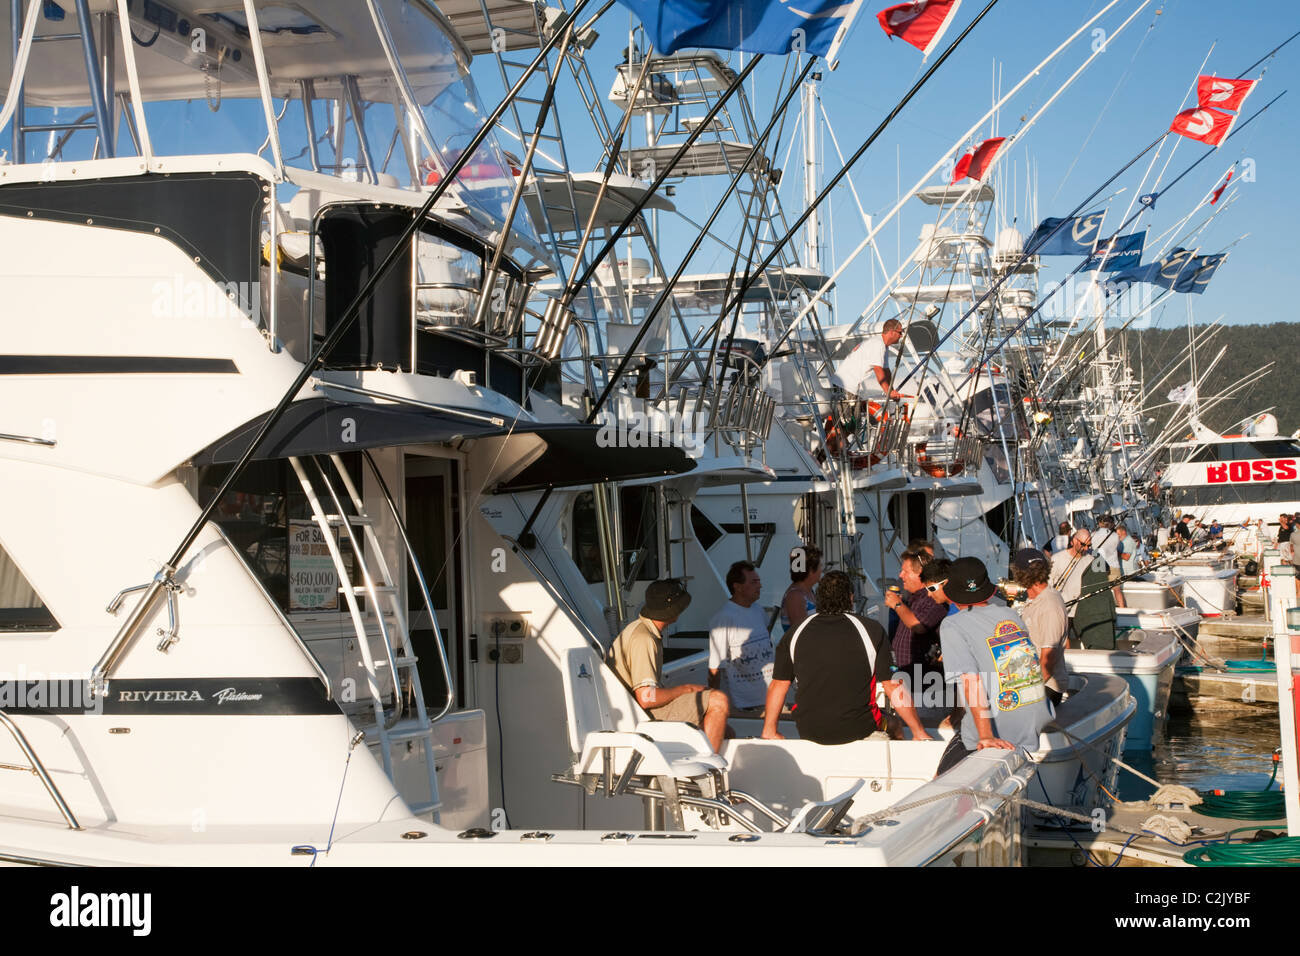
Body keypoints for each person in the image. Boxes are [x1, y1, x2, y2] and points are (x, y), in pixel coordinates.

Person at [762, 571, 932, 745]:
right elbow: (892, 685)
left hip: (809, 728)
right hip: (859, 727)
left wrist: (769, 730)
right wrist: (918, 731)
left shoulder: (795, 633)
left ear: (819, 599)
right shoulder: (871, 629)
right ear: (850, 598)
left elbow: (778, 685)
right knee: (895, 725)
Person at [936, 557, 1052, 775]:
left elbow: (970, 680)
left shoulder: (952, 624)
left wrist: (986, 736)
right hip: (1031, 726)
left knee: (939, 780)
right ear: (988, 591)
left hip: (994, 730)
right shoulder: (1011, 615)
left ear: (951, 594)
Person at [608, 579, 730, 752]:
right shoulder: (644, 639)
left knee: (727, 730)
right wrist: (685, 689)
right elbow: (646, 698)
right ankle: (706, 766)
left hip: (633, 709)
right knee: (719, 701)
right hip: (640, 715)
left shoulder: (639, 628)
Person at [708, 562, 775, 713]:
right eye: (754, 582)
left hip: (771, 698)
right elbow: (714, 669)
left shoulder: (758, 610)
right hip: (744, 707)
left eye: (759, 581)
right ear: (737, 587)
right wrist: (712, 706)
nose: (760, 586)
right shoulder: (723, 618)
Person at [1010, 549, 1069, 707]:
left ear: (1019, 574)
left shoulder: (1050, 605)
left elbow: (1047, 663)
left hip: (1046, 687)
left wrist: (1024, 695)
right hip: (1030, 679)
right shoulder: (1035, 599)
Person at [886, 548, 948, 680]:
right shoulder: (913, 598)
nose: (901, 575)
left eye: (905, 571)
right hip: (906, 674)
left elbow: (919, 626)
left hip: (923, 677)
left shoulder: (934, 598)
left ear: (920, 574)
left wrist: (897, 604)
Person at [832, 317, 905, 401]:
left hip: (847, 386)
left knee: (858, 408)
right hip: (844, 386)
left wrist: (892, 392)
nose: (901, 336)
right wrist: (888, 392)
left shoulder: (884, 345)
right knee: (851, 410)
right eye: (900, 332)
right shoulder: (878, 344)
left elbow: (886, 371)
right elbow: (878, 369)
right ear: (891, 332)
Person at [780, 545, 822, 632]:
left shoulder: (808, 591)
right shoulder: (795, 596)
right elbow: (801, 633)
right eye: (820, 566)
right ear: (811, 570)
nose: (821, 570)